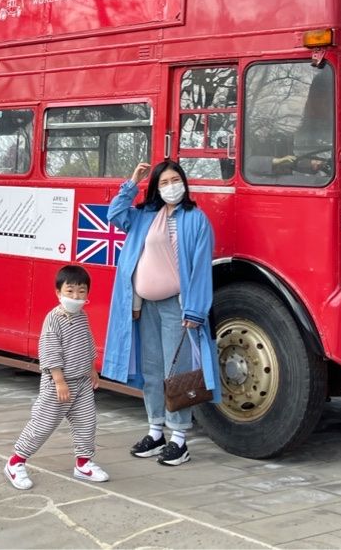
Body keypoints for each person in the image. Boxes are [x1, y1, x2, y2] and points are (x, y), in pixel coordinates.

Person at [102, 160, 218, 467]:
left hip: (177, 308)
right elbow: (114, 214)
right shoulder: (144, 215)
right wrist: (132, 183)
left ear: (184, 183)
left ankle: (179, 439)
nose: (170, 186)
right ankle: (156, 432)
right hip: (144, 307)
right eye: (164, 182)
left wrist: (195, 310)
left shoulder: (197, 219)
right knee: (152, 372)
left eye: (174, 180)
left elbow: (201, 268)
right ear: (156, 187)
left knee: (177, 372)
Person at [4, 264, 108, 491]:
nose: (75, 296)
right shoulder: (54, 319)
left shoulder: (82, 316)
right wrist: (59, 381)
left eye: (81, 291)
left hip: (81, 382)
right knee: (42, 425)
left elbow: (88, 342)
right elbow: (50, 350)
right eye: (70, 290)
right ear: (58, 292)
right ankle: (16, 462)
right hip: (57, 384)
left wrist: (91, 368)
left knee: (87, 423)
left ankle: (83, 463)